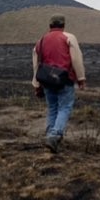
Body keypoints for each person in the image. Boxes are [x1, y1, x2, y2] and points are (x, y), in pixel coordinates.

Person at [32, 14, 86, 153]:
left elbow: (36, 64)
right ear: (63, 25)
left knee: (53, 108)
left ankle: (50, 135)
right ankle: (55, 136)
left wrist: (37, 85)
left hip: (46, 80)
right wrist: (81, 78)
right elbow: (76, 59)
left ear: (50, 26)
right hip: (64, 79)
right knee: (64, 108)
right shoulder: (68, 38)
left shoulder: (41, 41)